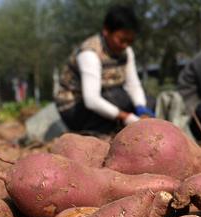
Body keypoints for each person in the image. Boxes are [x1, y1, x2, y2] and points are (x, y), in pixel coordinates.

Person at [55, 5, 153, 134]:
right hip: (76, 108)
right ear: (106, 31)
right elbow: (91, 100)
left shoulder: (127, 52)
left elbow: (133, 84)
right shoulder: (90, 53)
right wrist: (126, 117)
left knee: (149, 101)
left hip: (108, 98)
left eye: (130, 41)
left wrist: (141, 108)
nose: (125, 45)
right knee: (118, 99)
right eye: (121, 40)